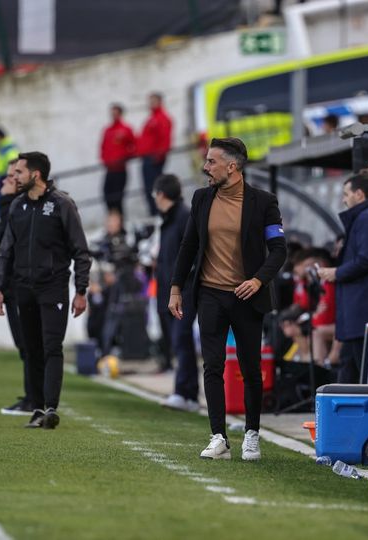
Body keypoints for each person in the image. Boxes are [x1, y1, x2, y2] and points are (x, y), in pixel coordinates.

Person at [169, 137, 286, 460]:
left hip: (247, 296)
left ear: (231, 167)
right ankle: (218, 436)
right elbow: (188, 247)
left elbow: (279, 250)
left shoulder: (263, 202)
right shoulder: (202, 198)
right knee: (213, 366)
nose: (206, 168)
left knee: (250, 369)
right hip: (209, 294)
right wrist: (176, 288)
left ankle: (251, 434)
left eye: (211, 162)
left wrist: (258, 280)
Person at [0, 152, 91, 430]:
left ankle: (50, 408)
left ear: (35, 175)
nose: (15, 177)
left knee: (51, 347)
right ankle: (37, 409)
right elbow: (6, 251)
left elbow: (81, 251)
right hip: (23, 288)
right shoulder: (18, 207)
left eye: (20, 172)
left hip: (53, 288)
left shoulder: (62, 205)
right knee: (32, 349)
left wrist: (81, 290)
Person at [318, 173, 368, 383]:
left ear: (359, 194)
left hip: (366, 308)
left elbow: (366, 258)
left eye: (346, 194)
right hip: (362, 309)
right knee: (349, 365)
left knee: (362, 371)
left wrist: (336, 272)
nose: (343, 199)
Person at [0, 159, 33, 415]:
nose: (4, 181)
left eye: (10, 178)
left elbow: (2, 237)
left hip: (22, 284)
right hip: (15, 284)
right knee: (25, 345)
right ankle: (32, 396)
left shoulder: (18, 207)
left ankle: (34, 399)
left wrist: (4, 201)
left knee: (28, 344)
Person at [154, 174, 199, 410]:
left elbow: (192, 252)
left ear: (161, 194)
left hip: (184, 290)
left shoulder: (182, 216)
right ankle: (186, 392)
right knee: (177, 339)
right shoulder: (168, 219)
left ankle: (186, 392)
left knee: (182, 337)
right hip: (168, 290)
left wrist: (179, 285)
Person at [137, 93, 173, 216]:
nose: (150, 104)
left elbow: (164, 139)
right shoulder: (152, 119)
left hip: (153, 159)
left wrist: (158, 156)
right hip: (148, 158)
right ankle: (154, 212)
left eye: (153, 101)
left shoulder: (161, 118)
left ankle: (159, 212)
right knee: (149, 188)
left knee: (154, 187)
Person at [99, 104, 136, 215]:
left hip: (120, 170)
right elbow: (103, 147)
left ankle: (120, 224)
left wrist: (125, 157)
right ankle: (112, 221)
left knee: (118, 198)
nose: (113, 115)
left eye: (115, 113)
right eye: (112, 113)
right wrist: (104, 160)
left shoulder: (126, 129)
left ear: (120, 113)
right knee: (106, 195)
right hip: (110, 170)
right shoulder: (107, 130)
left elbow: (134, 146)